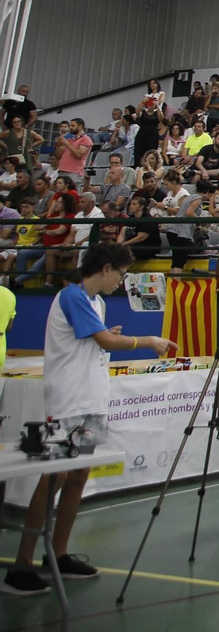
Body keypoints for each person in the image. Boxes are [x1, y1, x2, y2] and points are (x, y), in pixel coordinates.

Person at [2, 243, 176, 596]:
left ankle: (59, 554)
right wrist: (146, 340)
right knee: (55, 477)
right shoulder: (72, 296)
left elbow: (97, 338)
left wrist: (108, 335)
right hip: (68, 401)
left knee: (79, 474)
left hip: (92, 399)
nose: (121, 283)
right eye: (122, 275)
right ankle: (21, 565)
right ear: (106, 268)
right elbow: (101, 338)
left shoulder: (95, 303)